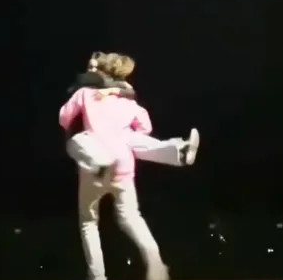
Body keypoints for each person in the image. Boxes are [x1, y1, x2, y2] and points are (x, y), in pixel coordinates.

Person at [59, 57, 169, 280]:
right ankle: (153, 256)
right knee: (132, 217)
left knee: (88, 222)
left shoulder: (84, 94)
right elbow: (145, 127)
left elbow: (64, 118)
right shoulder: (128, 100)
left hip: (93, 169)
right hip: (123, 168)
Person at [65, 52, 199, 184]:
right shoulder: (88, 88)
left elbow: (65, 118)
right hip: (99, 145)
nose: (92, 71)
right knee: (85, 141)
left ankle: (179, 151)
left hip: (109, 145)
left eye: (96, 68)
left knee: (131, 139)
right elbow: (145, 125)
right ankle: (99, 164)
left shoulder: (108, 89)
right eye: (90, 67)